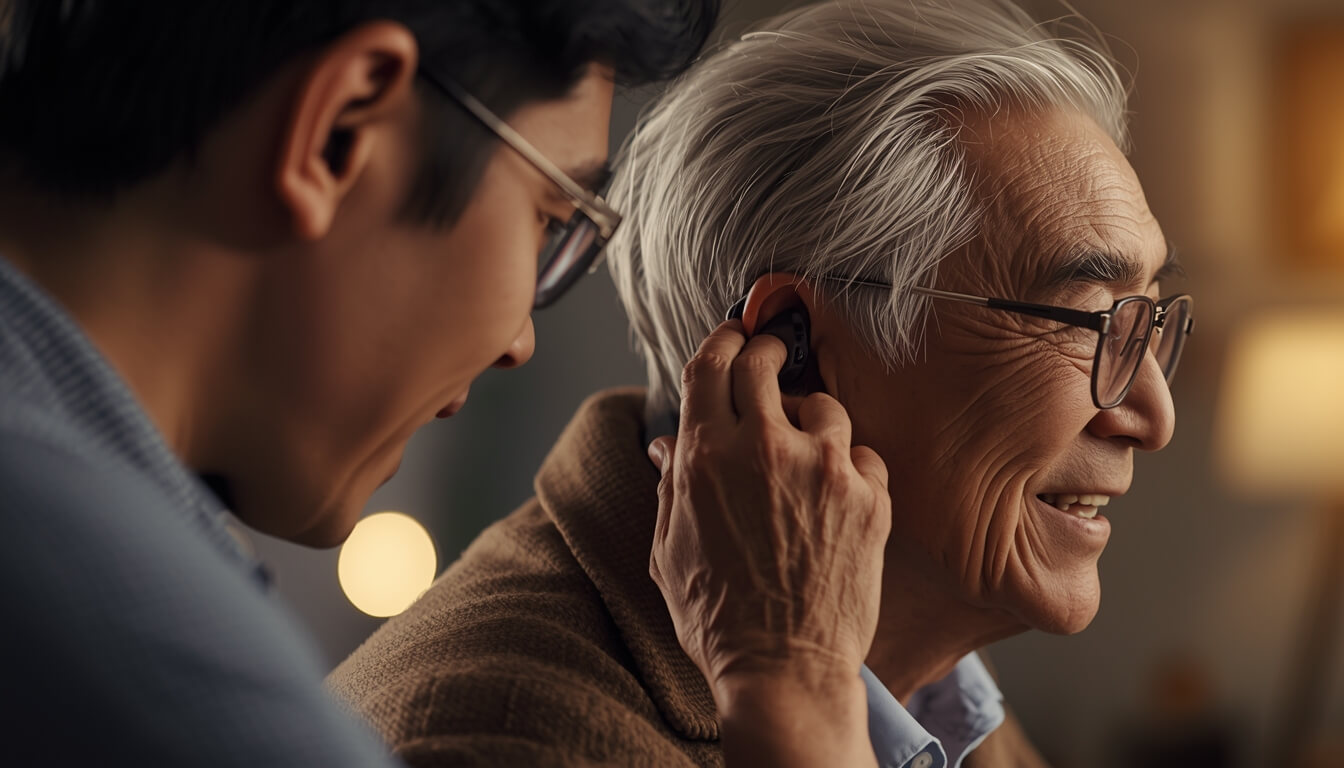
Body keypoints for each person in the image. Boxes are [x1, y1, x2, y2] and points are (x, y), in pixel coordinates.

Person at [0, 1, 898, 764]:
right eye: (552, 219)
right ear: (340, 129)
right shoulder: (168, 681)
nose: (519, 341)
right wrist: (799, 698)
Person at [328, 0, 1195, 766]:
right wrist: (798, 697)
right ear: (793, 350)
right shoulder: (506, 735)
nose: (1152, 415)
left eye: (1149, 323)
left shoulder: (923, 688)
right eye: (1092, 321)